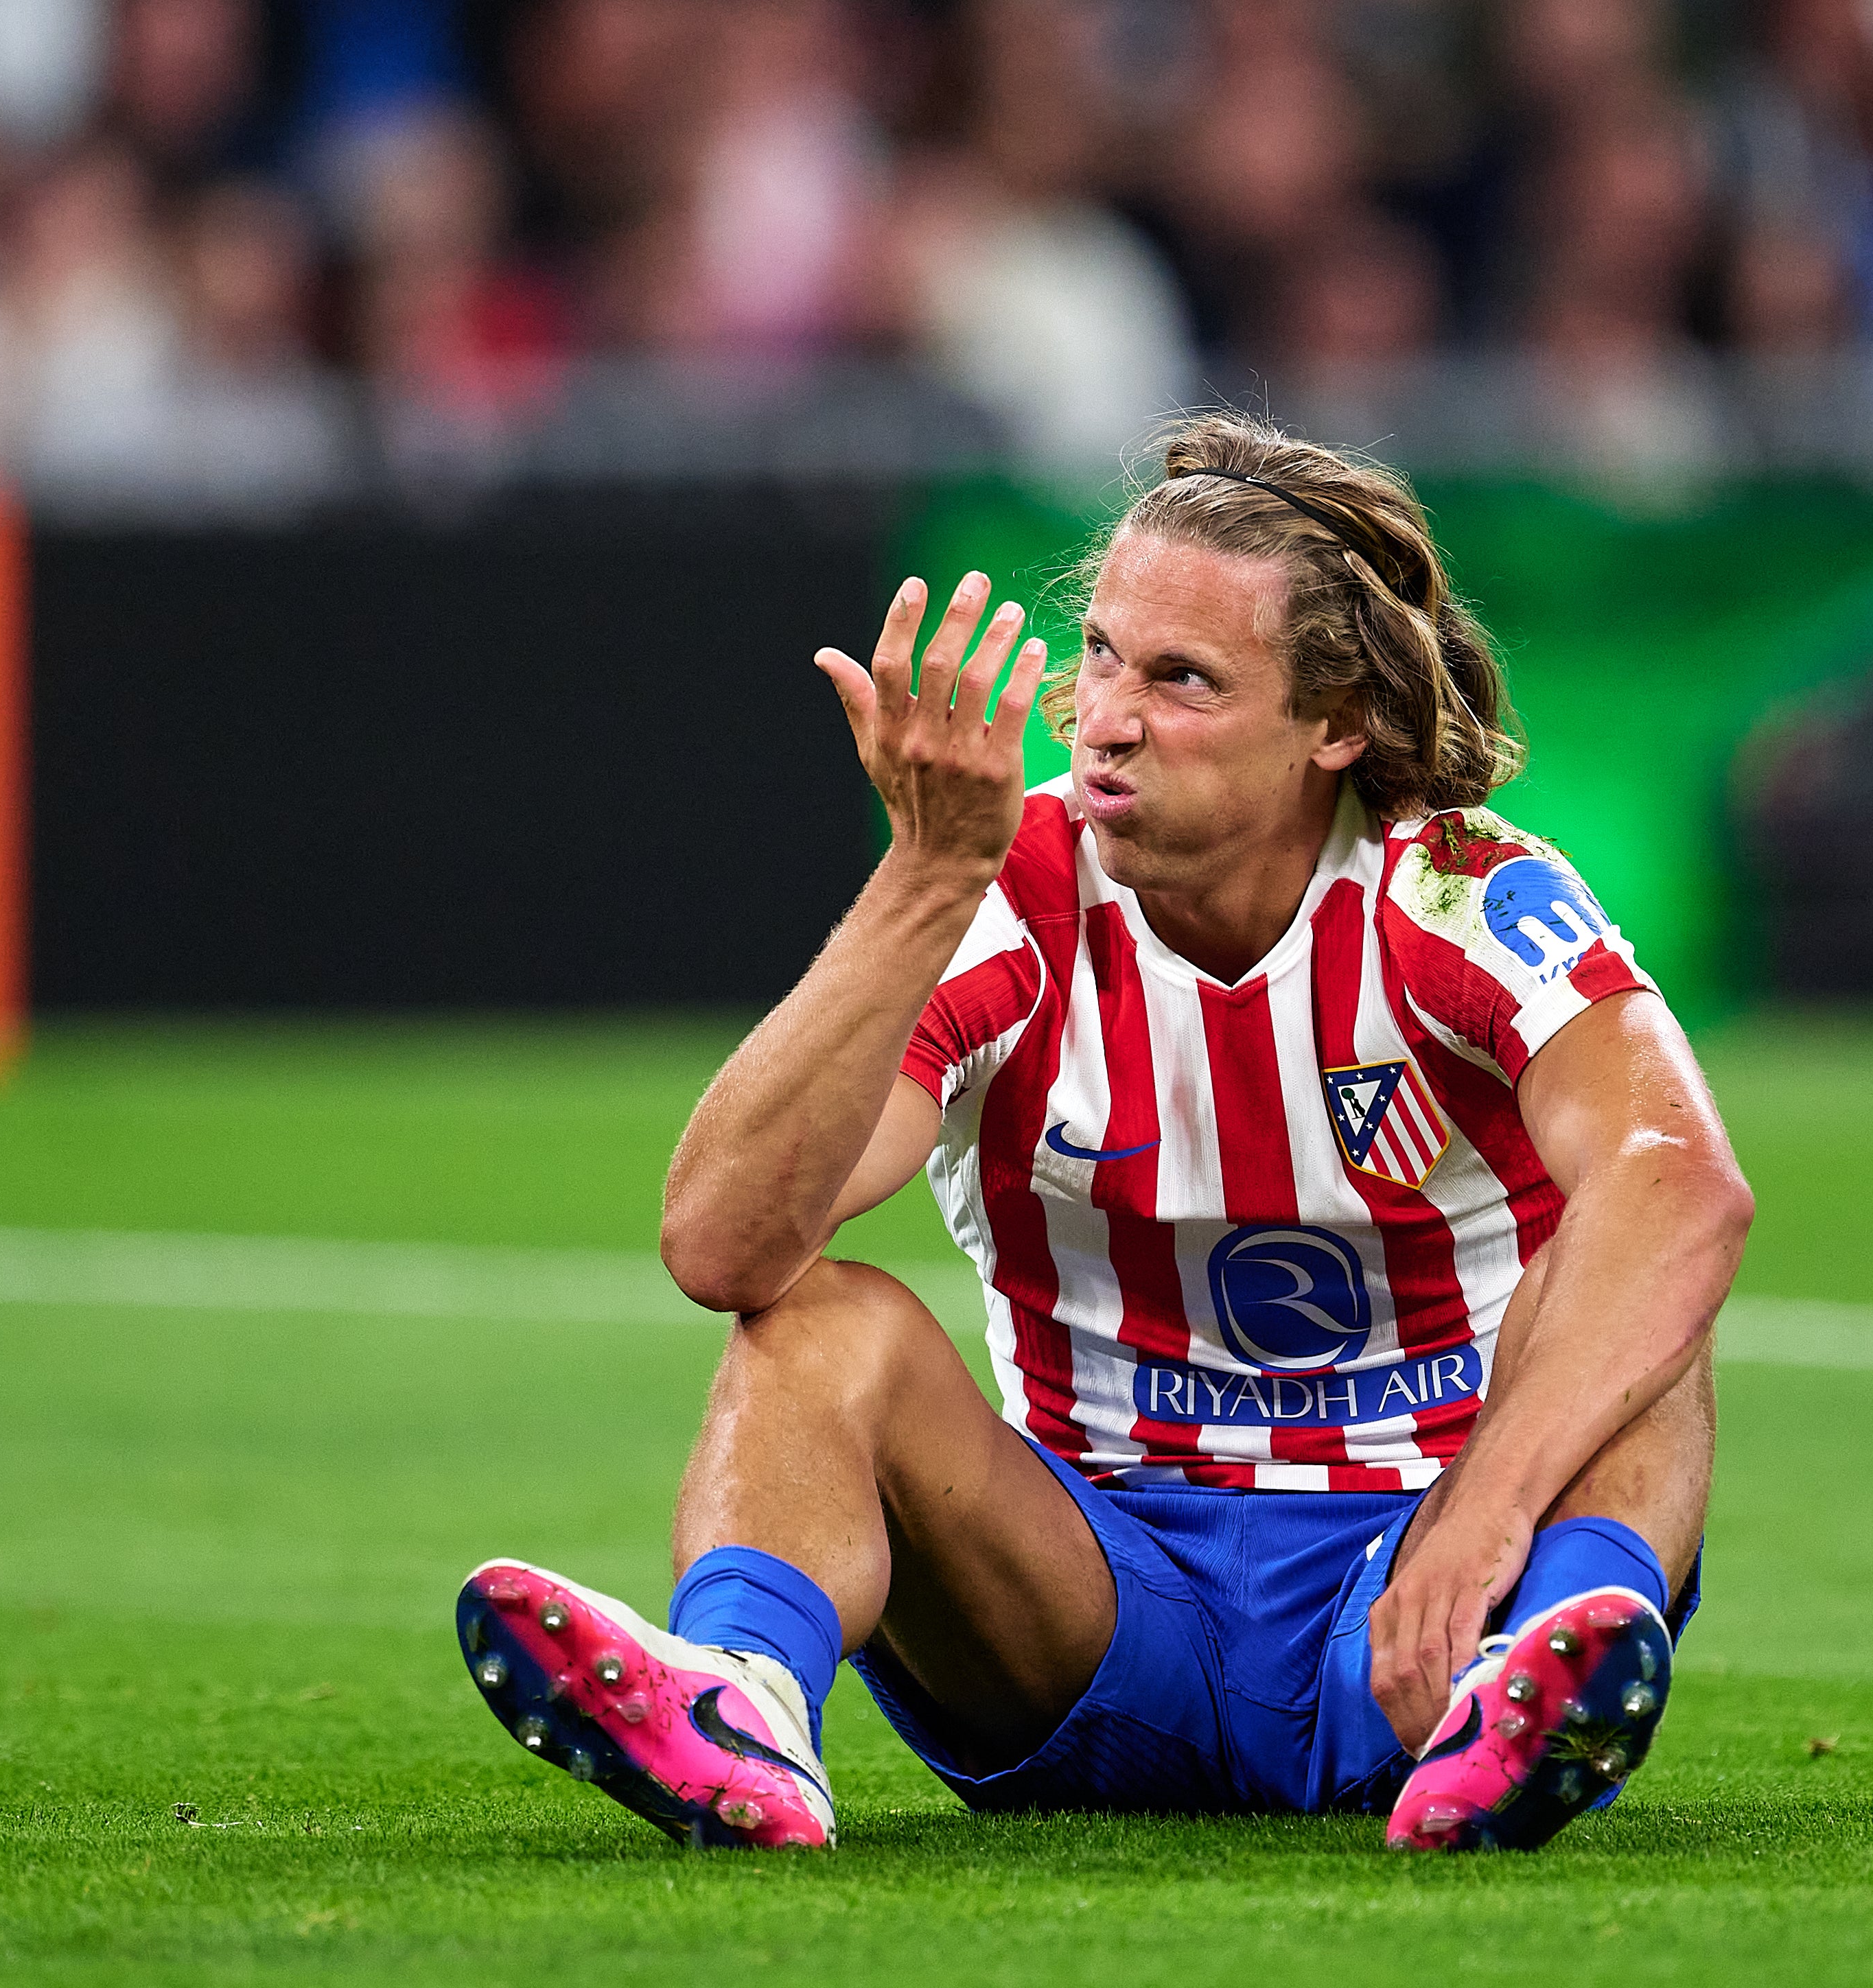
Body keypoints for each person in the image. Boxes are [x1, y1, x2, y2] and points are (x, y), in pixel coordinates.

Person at [456, 414, 1754, 1853]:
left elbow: (1684, 1184)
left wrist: (1490, 1514)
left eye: (1182, 679)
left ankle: (1532, 1688)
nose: (1106, 720)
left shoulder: (1453, 891)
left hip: (1422, 1594)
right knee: (817, 1320)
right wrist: (923, 879)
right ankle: (741, 1706)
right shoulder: (1005, 893)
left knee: (1639, 1280)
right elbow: (722, 1244)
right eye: (1101, 658)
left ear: (1337, 724)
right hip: (1092, 1612)